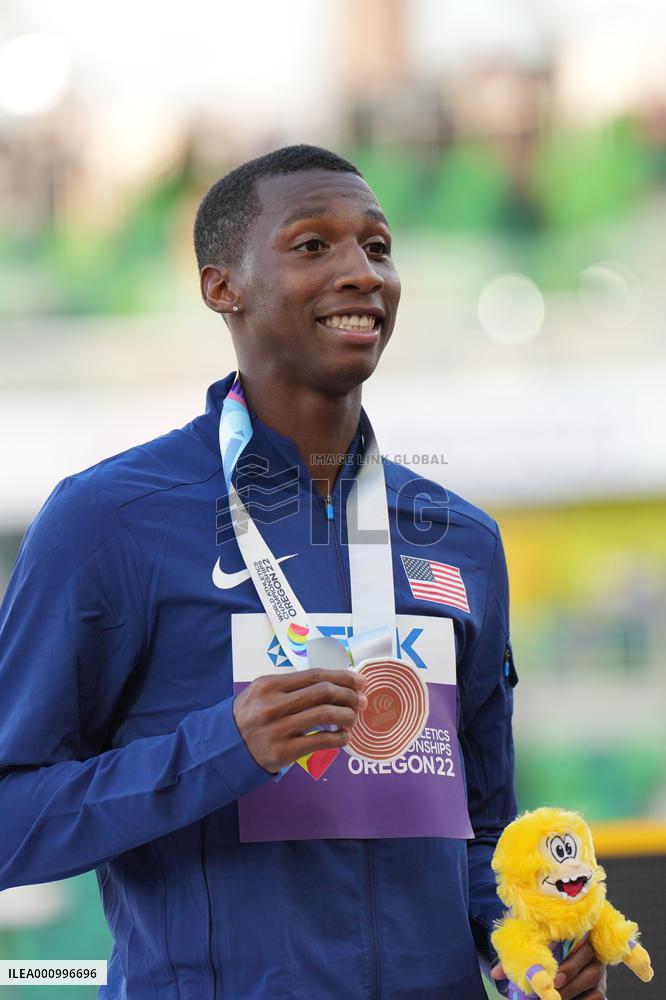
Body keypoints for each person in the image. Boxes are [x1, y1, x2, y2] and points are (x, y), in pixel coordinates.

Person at [0, 145, 606, 999]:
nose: (362, 272)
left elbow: (482, 829)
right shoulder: (110, 523)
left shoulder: (461, 538)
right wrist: (224, 749)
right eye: (313, 246)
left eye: (379, 247)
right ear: (223, 287)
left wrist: (526, 946)